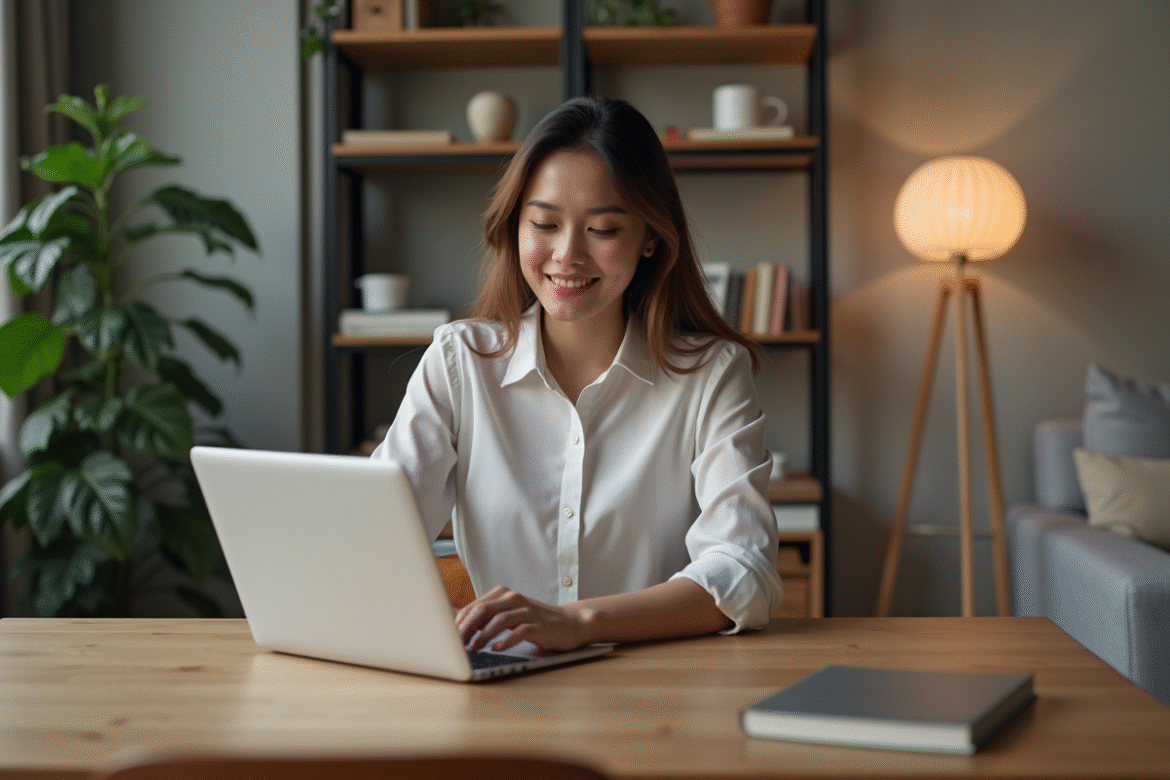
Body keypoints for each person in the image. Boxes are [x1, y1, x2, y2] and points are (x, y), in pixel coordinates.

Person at [371, 96, 783, 654]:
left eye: (604, 230)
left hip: (657, 689)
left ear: (650, 238)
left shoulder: (711, 374)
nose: (567, 255)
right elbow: (373, 534)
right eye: (544, 223)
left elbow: (743, 572)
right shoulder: (460, 362)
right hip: (500, 692)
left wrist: (579, 622)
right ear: (515, 227)